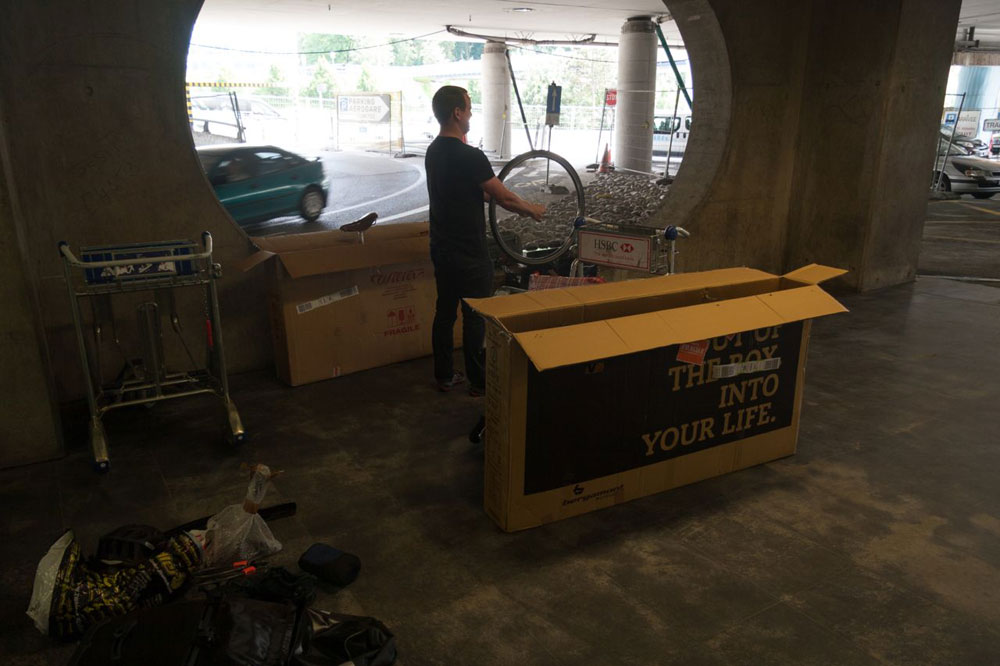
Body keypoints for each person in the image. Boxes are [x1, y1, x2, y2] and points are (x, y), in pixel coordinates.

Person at [425, 85, 545, 396]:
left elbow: (469, 191)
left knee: (445, 312)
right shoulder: (470, 155)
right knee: (476, 316)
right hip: (469, 252)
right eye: (469, 108)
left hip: (441, 248)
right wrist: (531, 209)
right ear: (457, 113)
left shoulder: (433, 151)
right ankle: (479, 382)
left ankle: (445, 375)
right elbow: (502, 195)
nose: (471, 114)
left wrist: (503, 201)